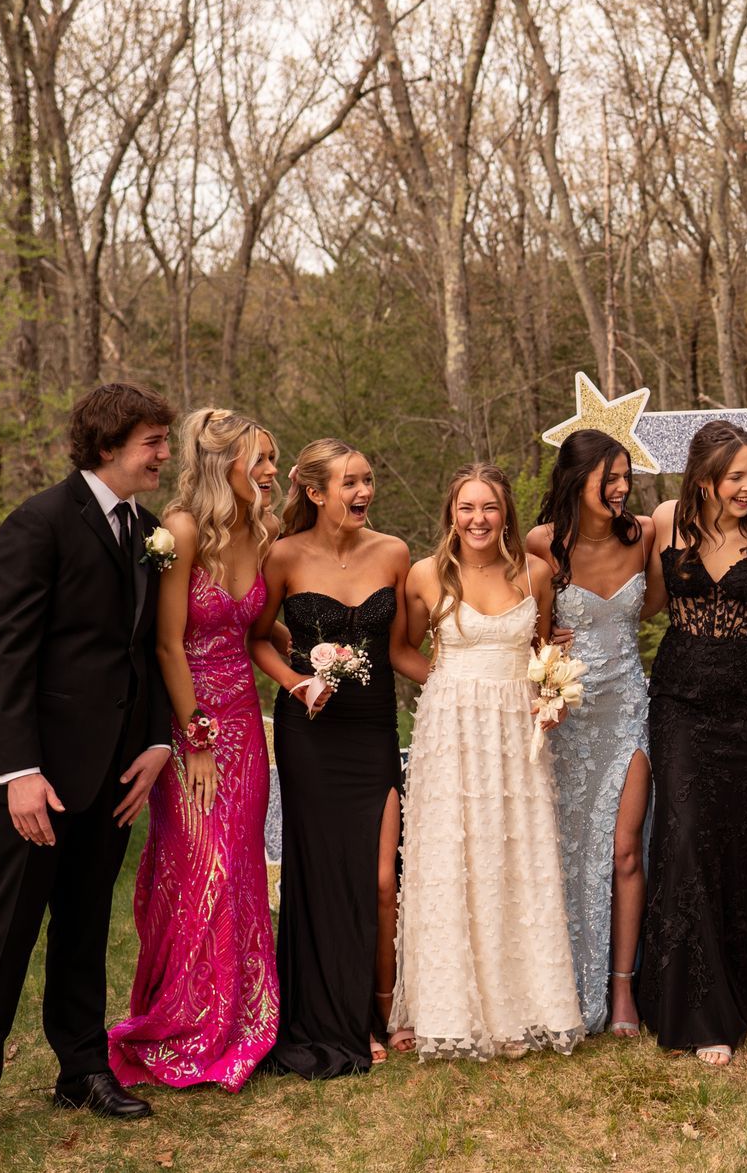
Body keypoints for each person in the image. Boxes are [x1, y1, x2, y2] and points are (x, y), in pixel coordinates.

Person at [0, 383, 177, 1166]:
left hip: (113, 774)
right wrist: (20, 772)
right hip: (37, 778)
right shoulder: (37, 524)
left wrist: (156, 743)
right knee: (2, 937)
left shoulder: (147, 530)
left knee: (83, 927)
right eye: (153, 441)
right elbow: (4, 656)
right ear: (108, 446)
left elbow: (139, 653)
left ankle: (83, 1068)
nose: (164, 454)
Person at [108, 408, 282, 1091]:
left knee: (239, 866)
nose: (268, 471)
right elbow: (165, 643)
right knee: (197, 867)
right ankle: (185, 1019)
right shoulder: (179, 530)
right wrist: (195, 736)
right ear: (224, 464)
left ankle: (240, 1017)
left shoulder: (259, 531)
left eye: (273, 460)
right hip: (192, 727)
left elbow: (259, 631)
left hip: (247, 722)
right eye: (260, 460)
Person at [389, 463, 586, 1059]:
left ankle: (523, 1005)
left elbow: (544, 647)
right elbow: (401, 648)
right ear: (451, 512)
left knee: (515, 854)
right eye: (467, 508)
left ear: (506, 514)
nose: (478, 519)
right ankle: (447, 1008)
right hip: (451, 732)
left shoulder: (537, 574)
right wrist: (452, 684)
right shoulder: (426, 575)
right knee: (454, 856)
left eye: (490, 508)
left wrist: (550, 692)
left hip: (515, 732)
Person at [248, 439, 429, 1077]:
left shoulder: (394, 553)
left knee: (383, 883)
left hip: (373, 732)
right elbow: (256, 639)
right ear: (316, 492)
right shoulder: (283, 557)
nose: (363, 493)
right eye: (349, 483)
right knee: (319, 876)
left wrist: (461, 683)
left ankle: (382, 1010)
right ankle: (338, 1020)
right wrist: (298, 683)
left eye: (368, 480)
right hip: (310, 736)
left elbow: (406, 648)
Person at [637, 420, 747, 1066]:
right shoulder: (665, 519)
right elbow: (645, 602)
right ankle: (693, 1005)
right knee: (683, 833)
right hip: (679, 698)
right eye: (737, 476)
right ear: (705, 477)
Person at [527, 429, 655, 1037]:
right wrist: (545, 646)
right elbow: (527, 631)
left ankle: (623, 992)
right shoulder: (541, 546)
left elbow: (653, 605)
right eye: (610, 478)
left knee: (625, 850)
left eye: (626, 476)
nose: (622, 487)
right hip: (566, 717)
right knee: (563, 853)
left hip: (628, 706)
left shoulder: (646, 535)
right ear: (578, 481)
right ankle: (561, 984)